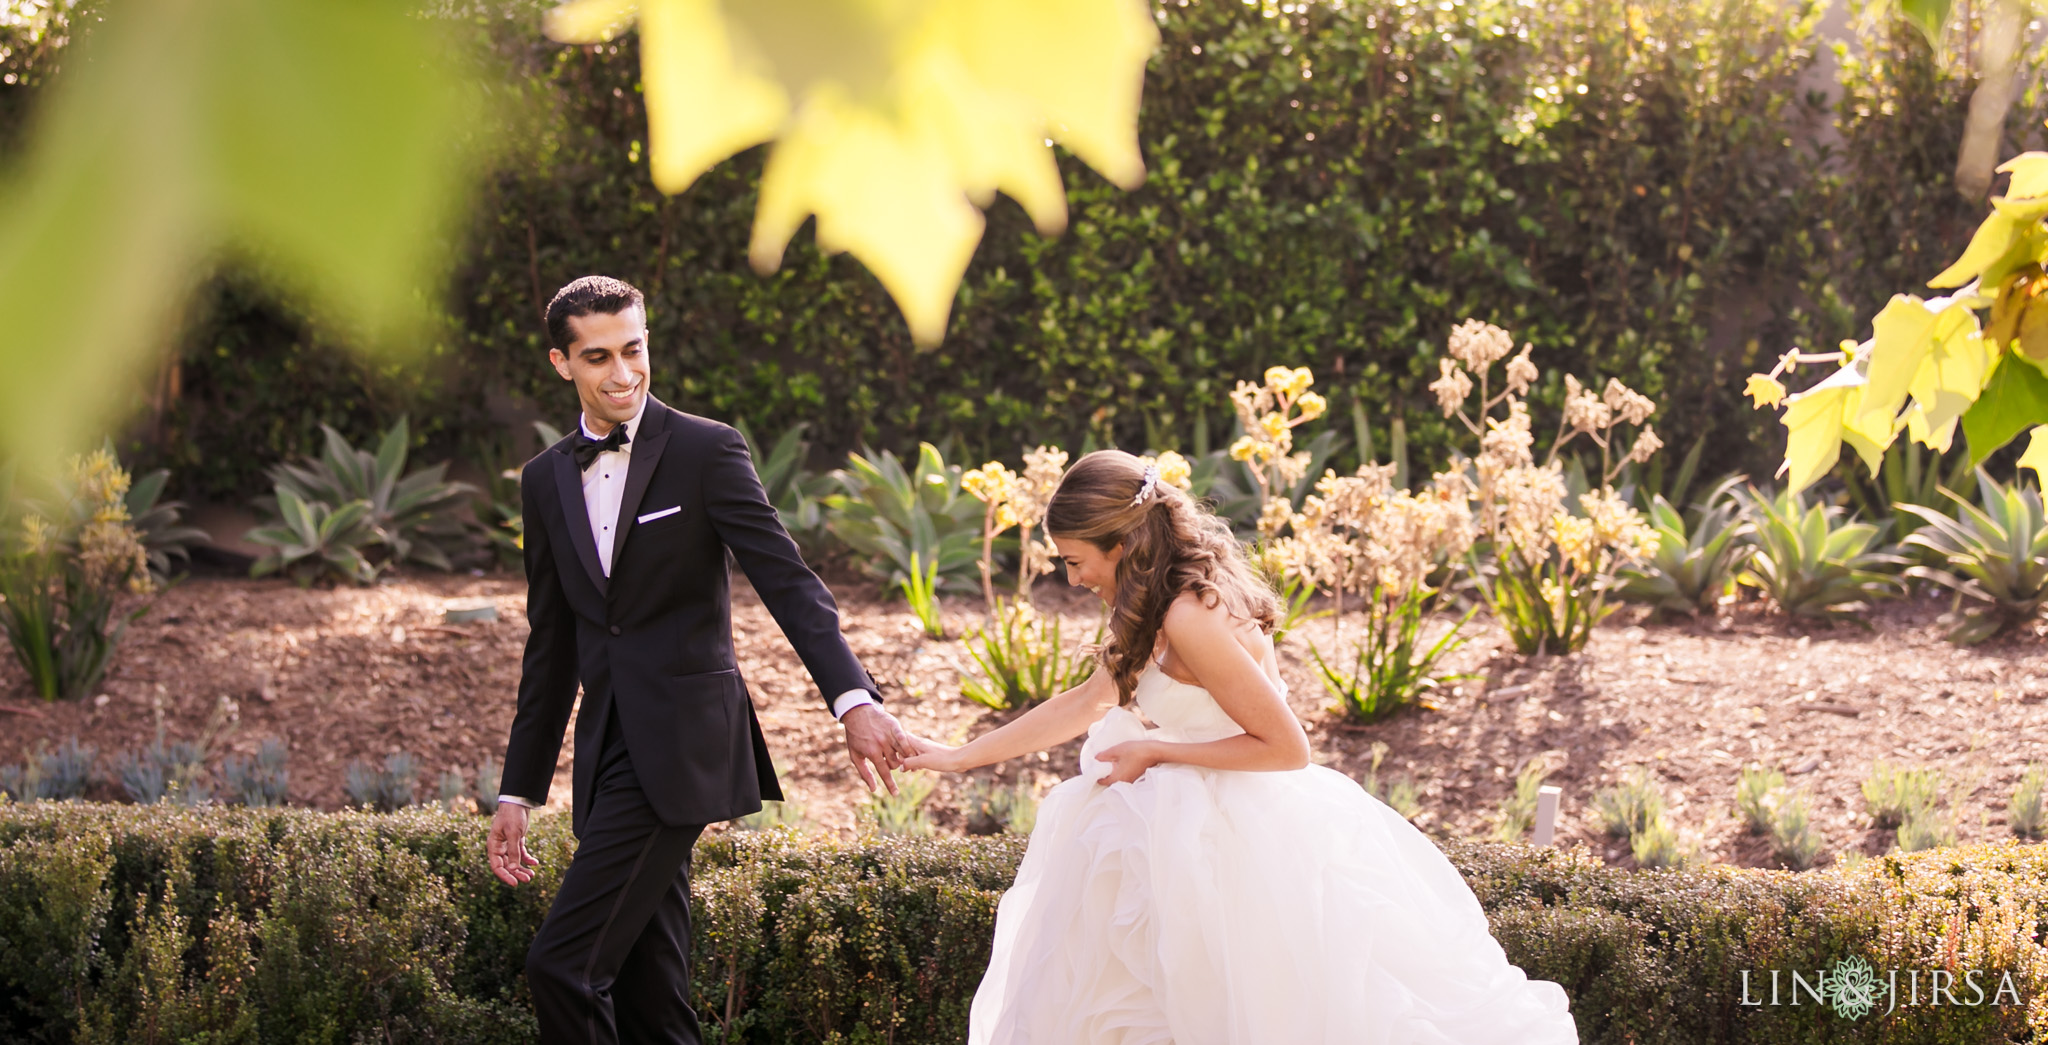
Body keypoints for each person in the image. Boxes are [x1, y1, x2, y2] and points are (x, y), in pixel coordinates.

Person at [902, 449, 1579, 1044]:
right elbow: (1086, 702)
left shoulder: (1187, 616)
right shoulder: (1149, 604)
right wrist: (955, 756)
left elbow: (1287, 747)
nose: (1072, 578)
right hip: (1174, 827)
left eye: (1076, 561)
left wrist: (1160, 754)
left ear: (1120, 543)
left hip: (1241, 838)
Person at [488, 274, 913, 1045]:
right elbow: (550, 644)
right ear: (561, 363)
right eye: (598, 357)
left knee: (564, 965)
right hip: (607, 750)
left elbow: (786, 579)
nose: (622, 374)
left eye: (634, 349)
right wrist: (520, 785)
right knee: (655, 1002)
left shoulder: (705, 449)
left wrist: (853, 698)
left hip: (684, 744)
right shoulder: (545, 479)